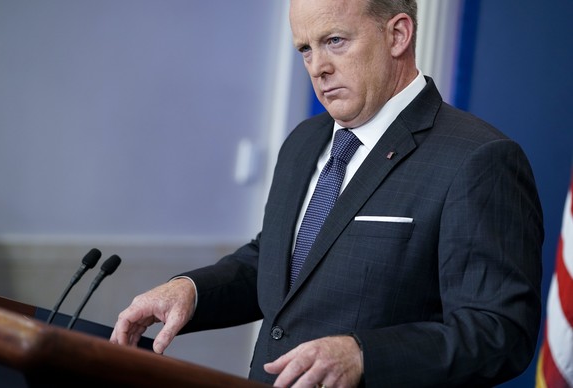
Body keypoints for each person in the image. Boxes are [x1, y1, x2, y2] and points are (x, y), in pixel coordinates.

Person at [110, 0, 544, 386]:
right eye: (305, 48)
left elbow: (499, 333)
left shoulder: (479, 158)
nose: (317, 66)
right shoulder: (304, 141)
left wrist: (363, 355)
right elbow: (279, 262)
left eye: (334, 41)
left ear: (397, 34)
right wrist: (191, 291)